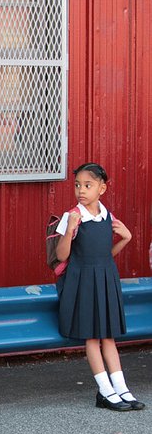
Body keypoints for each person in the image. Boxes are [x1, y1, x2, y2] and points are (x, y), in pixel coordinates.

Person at [55, 162, 144, 411]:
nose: (81, 190)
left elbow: (105, 255)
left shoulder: (108, 216)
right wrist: (70, 228)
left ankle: (122, 388)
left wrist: (126, 238)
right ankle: (105, 391)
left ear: (102, 188)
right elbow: (62, 256)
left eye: (88, 185)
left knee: (108, 336)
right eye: (77, 185)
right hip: (82, 280)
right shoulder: (71, 216)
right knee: (92, 337)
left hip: (105, 277)